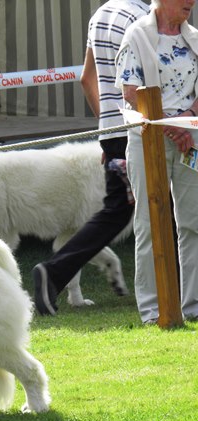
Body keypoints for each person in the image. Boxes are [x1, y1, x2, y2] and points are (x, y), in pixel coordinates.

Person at [32, 0, 148, 316]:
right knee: (167, 206)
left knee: (117, 211)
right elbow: (143, 82)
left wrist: (107, 126)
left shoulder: (101, 14)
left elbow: (87, 78)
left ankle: (53, 273)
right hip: (140, 129)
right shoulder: (143, 17)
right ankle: (171, 289)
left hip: (113, 130)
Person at [113, 0, 198, 324]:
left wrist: (186, 120)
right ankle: (152, 309)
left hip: (191, 137)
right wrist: (172, 128)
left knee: (193, 221)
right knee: (150, 221)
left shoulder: (194, 38)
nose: (190, 2)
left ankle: (194, 305)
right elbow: (131, 92)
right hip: (148, 138)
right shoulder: (137, 35)